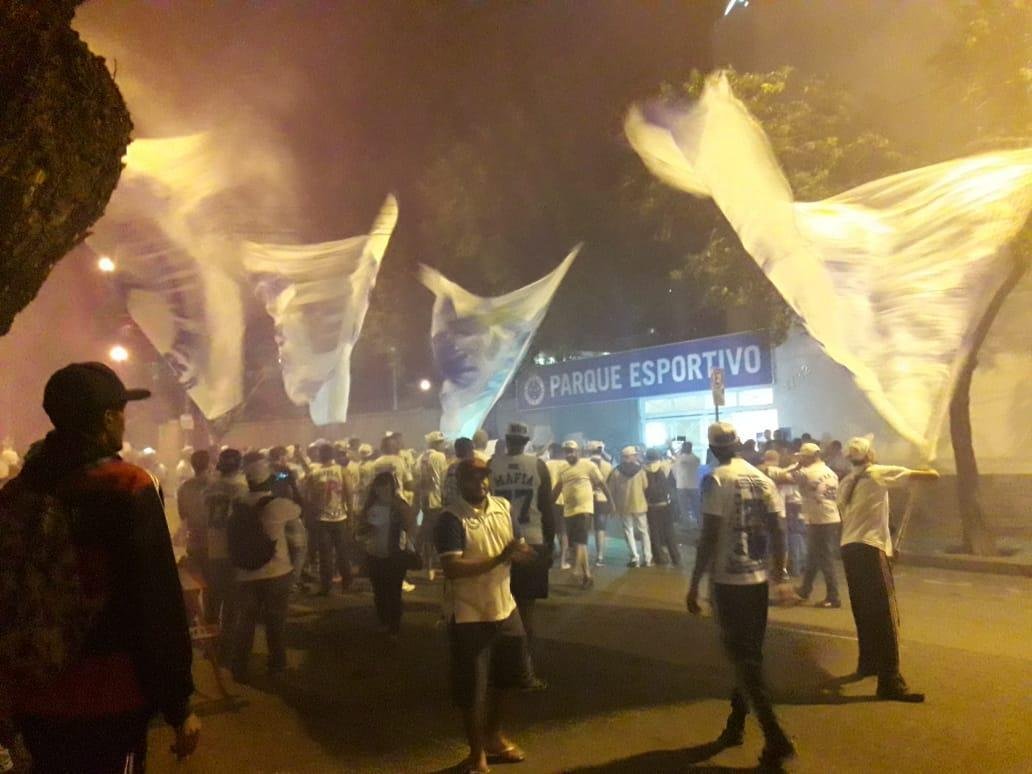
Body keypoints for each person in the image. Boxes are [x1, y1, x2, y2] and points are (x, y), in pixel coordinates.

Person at [0, 362, 199, 771]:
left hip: (33, 692)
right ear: (108, 419)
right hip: (110, 696)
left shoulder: (17, 492)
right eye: (122, 412)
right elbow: (156, 603)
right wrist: (178, 705)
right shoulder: (127, 486)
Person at [686, 422, 795, 769]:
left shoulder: (716, 479)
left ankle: (775, 736)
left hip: (728, 582)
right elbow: (780, 528)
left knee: (744, 660)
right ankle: (735, 727)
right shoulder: (762, 479)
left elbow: (709, 534)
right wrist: (780, 574)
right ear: (737, 445)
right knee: (748, 656)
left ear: (714, 448)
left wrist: (694, 583)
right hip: (758, 579)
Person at [433, 458, 536, 774]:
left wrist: (527, 554)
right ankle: (476, 753)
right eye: (472, 478)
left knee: (510, 678)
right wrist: (499, 559)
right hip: (469, 614)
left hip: (505, 608)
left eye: (483, 477)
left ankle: (493, 736)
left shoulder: (503, 507)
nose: (479, 483)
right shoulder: (451, 519)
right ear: (459, 482)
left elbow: (516, 545)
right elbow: (452, 568)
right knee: (472, 689)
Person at [837, 437, 939, 702]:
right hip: (870, 549)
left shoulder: (846, 482)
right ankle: (890, 681)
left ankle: (868, 662)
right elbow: (930, 476)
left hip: (849, 549)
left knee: (864, 609)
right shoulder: (876, 473)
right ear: (870, 454)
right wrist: (925, 462)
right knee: (884, 614)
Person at [489, 422, 555, 690]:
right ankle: (525, 670)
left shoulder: (492, 464)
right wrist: (551, 545)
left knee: (498, 609)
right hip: (532, 539)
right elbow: (546, 508)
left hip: (500, 541)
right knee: (526, 612)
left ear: (506, 440)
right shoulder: (537, 465)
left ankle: (499, 669)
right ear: (526, 440)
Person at [230, 459, 304, 682]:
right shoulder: (279, 505)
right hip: (277, 572)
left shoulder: (238, 503)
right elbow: (301, 508)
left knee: (245, 622)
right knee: (275, 623)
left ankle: (239, 667)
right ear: (269, 480)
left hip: (245, 573)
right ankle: (277, 666)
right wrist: (290, 483)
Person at [356, 472, 418, 638]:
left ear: (392, 487)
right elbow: (361, 529)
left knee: (394, 591)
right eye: (379, 487)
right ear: (375, 489)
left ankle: (394, 626)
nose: (382, 490)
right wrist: (365, 530)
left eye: (386, 486)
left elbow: (411, 525)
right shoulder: (370, 506)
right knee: (379, 590)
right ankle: (384, 620)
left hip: (395, 555)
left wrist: (409, 542)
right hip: (374, 554)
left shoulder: (399, 505)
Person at [552, 440, 612, 589]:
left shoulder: (588, 465)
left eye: (571, 451)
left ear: (578, 452)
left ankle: (576, 570)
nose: (569, 454)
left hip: (584, 509)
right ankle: (588, 576)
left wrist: (611, 501)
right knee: (579, 543)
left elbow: (602, 483)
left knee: (580, 541)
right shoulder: (564, 469)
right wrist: (547, 505)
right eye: (567, 451)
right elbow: (557, 489)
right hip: (569, 511)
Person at [790, 442, 842, 608]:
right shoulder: (830, 472)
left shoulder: (806, 472)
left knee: (824, 557)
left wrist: (796, 465)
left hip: (818, 519)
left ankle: (833, 596)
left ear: (808, 456)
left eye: (803, 457)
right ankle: (805, 589)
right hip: (831, 516)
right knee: (813, 555)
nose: (801, 460)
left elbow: (782, 476)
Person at [203, 448, 250, 629]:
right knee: (232, 599)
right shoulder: (242, 487)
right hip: (234, 548)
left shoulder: (211, 487)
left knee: (214, 596)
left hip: (214, 545)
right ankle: (228, 642)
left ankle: (212, 638)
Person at [306, 443, 353, 595]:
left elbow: (310, 497)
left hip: (322, 518)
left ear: (320, 455)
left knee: (325, 554)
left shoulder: (314, 473)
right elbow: (349, 493)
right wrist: (351, 513)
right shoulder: (341, 470)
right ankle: (347, 583)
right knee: (342, 552)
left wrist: (311, 515)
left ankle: (326, 585)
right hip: (339, 517)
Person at [759, 450, 806, 577]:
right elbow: (792, 483)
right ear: (777, 459)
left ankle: (765, 568)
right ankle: (782, 569)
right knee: (781, 542)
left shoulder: (758, 471)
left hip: (761, 511)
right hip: (779, 511)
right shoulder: (778, 471)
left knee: (765, 540)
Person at [607, 446, 652, 567]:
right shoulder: (640, 470)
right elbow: (645, 486)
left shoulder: (616, 471)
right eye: (635, 455)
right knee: (644, 531)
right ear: (632, 456)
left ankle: (634, 557)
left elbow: (611, 489)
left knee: (628, 531)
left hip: (624, 506)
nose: (636, 456)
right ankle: (647, 558)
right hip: (640, 504)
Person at [418, 431, 449, 580]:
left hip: (425, 499)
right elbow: (444, 479)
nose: (443, 445)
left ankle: (429, 565)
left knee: (428, 534)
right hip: (437, 500)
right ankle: (438, 566)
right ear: (436, 443)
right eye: (441, 442)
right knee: (439, 534)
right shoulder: (439, 457)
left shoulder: (421, 458)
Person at [644, 448, 682, 567]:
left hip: (651, 506)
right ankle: (675, 557)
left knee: (654, 532)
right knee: (669, 531)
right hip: (665, 504)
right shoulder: (664, 466)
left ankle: (659, 557)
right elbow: (674, 461)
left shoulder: (643, 470)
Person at [177, 449, 212, 565]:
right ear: (209, 464)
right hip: (214, 543)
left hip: (194, 542)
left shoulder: (184, 488)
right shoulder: (216, 486)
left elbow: (183, 516)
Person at [543, 442, 570, 570]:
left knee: (550, 530)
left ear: (552, 451)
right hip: (564, 501)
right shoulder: (567, 465)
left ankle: (549, 557)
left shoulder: (546, 465)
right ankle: (563, 561)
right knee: (563, 531)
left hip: (549, 501)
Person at [587, 442, 613, 566]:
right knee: (600, 528)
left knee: (584, 528)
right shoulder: (608, 465)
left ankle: (582, 554)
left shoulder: (584, 463)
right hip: (603, 499)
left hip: (586, 499)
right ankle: (600, 556)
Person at [673, 441, 701, 527]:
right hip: (693, 485)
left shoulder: (678, 459)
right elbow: (698, 462)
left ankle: (686, 525)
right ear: (691, 448)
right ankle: (700, 523)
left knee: (683, 507)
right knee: (696, 506)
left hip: (681, 486)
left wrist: (678, 479)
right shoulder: (695, 459)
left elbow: (673, 471)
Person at [443, 437, 475, 507]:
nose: (473, 452)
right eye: (472, 449)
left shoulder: (451, 467)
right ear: (467, 450)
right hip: (462, 509)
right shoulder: (467, 467)